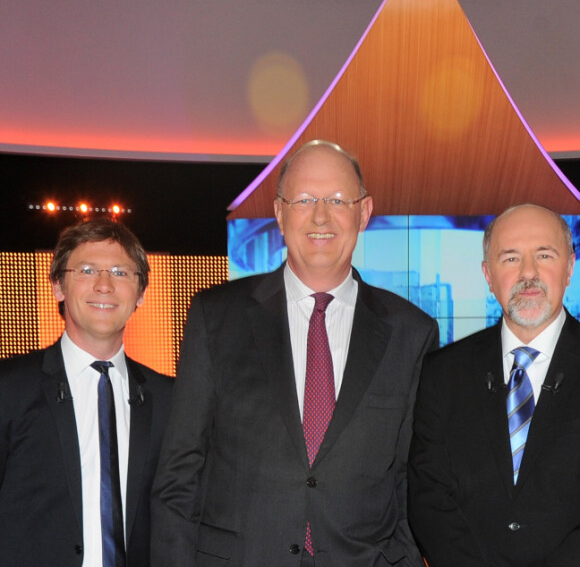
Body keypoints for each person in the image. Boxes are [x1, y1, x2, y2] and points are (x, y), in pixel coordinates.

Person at [151, 139, 439, 566]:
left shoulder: (411, 332)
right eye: (304, 199)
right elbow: (180, 474)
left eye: (338, 200)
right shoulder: (216, 317)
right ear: (280, 213)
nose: (321, 216)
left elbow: (411, 482)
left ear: (364, 213)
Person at [408, 203, 580, 566]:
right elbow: (428, 496)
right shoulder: (442, 373)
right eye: (511, 258)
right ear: (488, 274)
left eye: (544, 255)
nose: (528, 273)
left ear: (570, 267)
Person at [0, 217, 174, 566]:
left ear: (140, 294)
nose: (105, 285)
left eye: (121, 273)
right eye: (87, 270)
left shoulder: (170, 399)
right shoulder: (9, 387)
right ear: (58, 286)